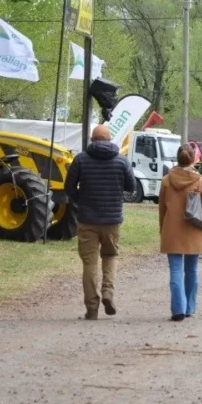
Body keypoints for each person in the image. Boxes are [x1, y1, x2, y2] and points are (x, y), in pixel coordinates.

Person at [64, 125, 136, 320]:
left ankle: (92, 308)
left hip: (87, 219)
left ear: (92, 139)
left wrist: (81, 201)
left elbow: (69, 187)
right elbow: (131, 187)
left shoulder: (81, 160)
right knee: (110, 256)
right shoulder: (121, 160)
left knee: (89, 262)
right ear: (110, 139)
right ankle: (108, 292)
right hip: (112, 220)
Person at [159, 144, 202, 322]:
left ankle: (178, 309)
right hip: (194, 229)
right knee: (191, 270)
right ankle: (189, 307)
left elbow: (162, 210)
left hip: (172, 230)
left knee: (175, 270)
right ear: (193, 159)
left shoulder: (166, 180)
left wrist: (163, 231)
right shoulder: (200, 181)